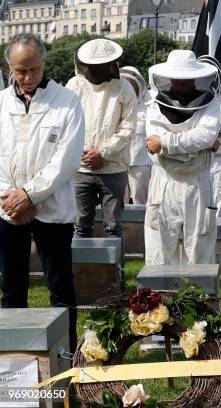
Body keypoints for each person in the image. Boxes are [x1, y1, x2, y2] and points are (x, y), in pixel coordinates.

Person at [0, 33, 85, 352]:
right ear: (9, 66)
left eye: (33, 69)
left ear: (43, 63)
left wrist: (30, 195)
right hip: (8, 209)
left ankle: (68, 360)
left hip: (52, 208)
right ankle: (13, 358)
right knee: (11, 288)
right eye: (20, 71)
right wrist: (11, 198)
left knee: (60, 287)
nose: (27, 77)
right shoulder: (1, 102)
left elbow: (66, 158)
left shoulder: (67, 102)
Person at [144, 50, 221, 265]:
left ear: (196, 77)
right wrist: (191, 147)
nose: (180, 82)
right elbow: (152, 142)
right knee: (160, 249)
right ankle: (162, 299)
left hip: (197, 182)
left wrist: (167, 143)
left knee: (198, 249)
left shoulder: (210, 103)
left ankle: (198, 299)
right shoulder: (154, 104)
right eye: (177, 77)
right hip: (164, 182)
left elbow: (205, 135)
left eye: (186, 78)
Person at [67, 39, 137, 242]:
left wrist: (102, 153)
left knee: (113, 228)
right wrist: (85, 154)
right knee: (80, 226)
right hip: (81, 169)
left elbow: (127, 128)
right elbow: (67, 123)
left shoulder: (124, 88)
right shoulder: (74, 85)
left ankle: (116, 274)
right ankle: (81, 274)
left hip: (113, 168)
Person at [197, 55, 221, 262]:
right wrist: (212, 129)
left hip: (218, 159)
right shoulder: (192, 95)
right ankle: (203, 249)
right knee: (199, 204)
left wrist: (206, 127)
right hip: (197, 158)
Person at [120, 66, 152, 205]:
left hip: (142, 161)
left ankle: (142, 226)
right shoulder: (116, 103)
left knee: (142, 200)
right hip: (118, 161)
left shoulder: (149, 104)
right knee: (119, 200)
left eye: (132, 83)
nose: (130, 86)